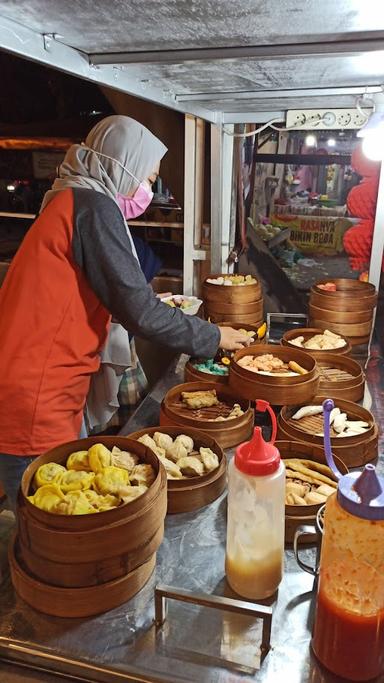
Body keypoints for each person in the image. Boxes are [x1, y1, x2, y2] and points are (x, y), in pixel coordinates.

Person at [0, 115, 250, 511]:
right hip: (35, 397)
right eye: (149, 179)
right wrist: (214, 337)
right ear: (121, 167)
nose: (148, 190)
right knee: (50, 524)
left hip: (35, 383)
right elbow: (140, 310)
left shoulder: (68, 200)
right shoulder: (92, 207)